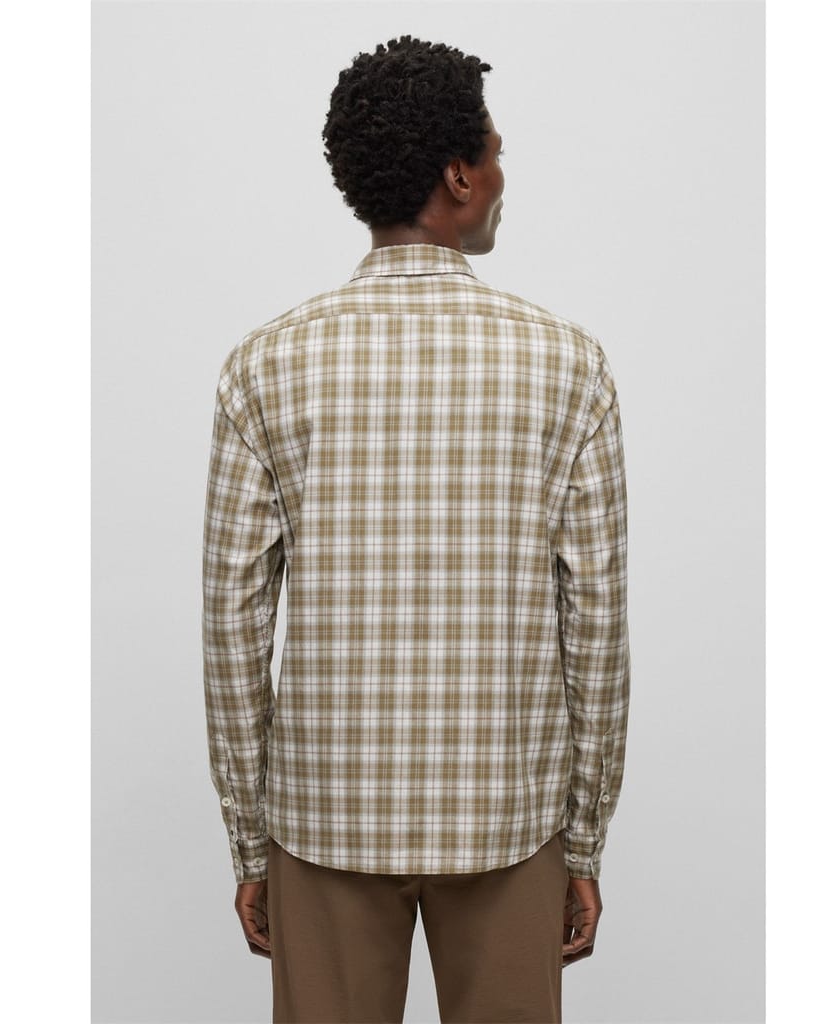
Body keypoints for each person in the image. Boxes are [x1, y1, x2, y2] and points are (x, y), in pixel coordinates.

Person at [202, 34, 631, 1024]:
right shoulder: (569, 366)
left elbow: (231, 628)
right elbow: (597, 623)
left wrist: (249, 840)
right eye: (496, 153)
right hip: (510, 817)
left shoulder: (264, 366)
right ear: (458, 176)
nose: (503, 176)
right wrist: (583, 840)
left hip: (323, 820)